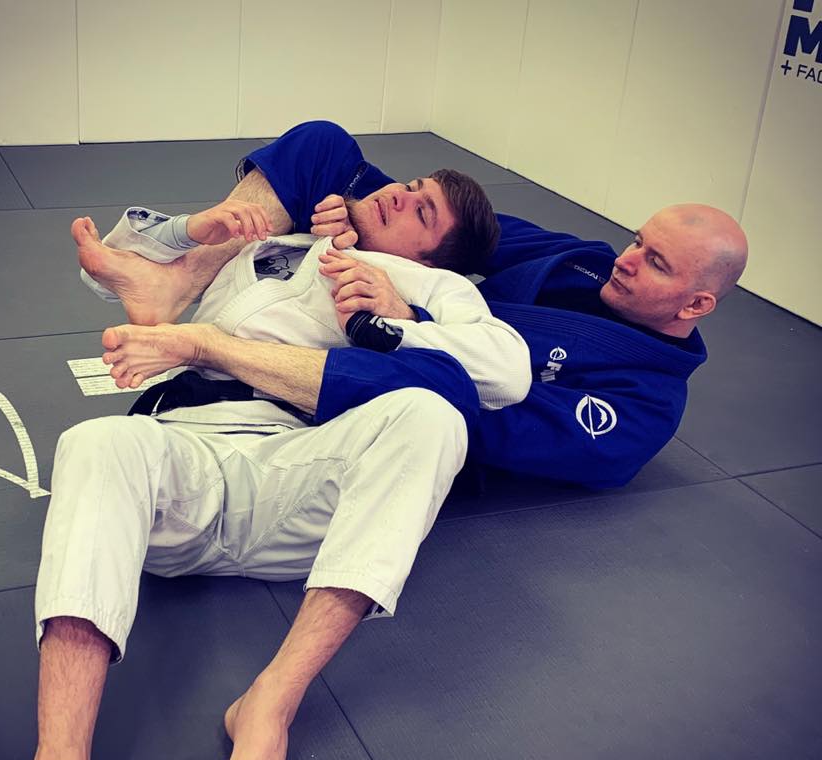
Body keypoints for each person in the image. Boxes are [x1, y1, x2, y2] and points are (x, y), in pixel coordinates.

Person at [0, 168, 531, 760]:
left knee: (432, 417)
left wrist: (400, 319)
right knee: (94, 442)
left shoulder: (430, 286)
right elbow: (115, 270)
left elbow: (507, 372)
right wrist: (195, 230)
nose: (403, 196)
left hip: (302, 477)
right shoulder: (281, 238)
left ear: (435, 255)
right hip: (185, 462)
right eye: (413, 184)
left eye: (425, 212)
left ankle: (270, 704)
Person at [90, 120, 748, 490]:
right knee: (320, 147)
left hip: (395, 372)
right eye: (638, 240)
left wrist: (408, 323)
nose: (627, 259)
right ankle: (176, 280)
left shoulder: (640, 409)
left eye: (655, 262)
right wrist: (350, 216)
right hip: (406, 297)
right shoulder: (586, 263)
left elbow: (478, 410)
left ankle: (222, 356)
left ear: (696, 304)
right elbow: (469, 233)